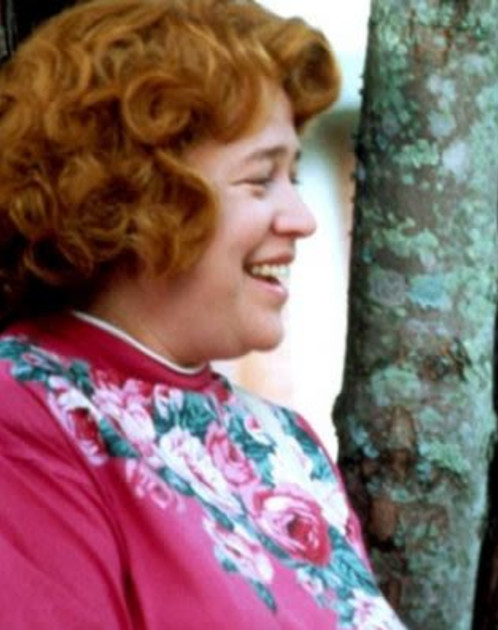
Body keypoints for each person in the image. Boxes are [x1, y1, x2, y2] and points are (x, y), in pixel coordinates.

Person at [0, 1, 406, 628]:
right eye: (260, 179)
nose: (303, 218)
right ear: (142, 195)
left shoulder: (285, 443)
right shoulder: (26, 413)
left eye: (294, 174)